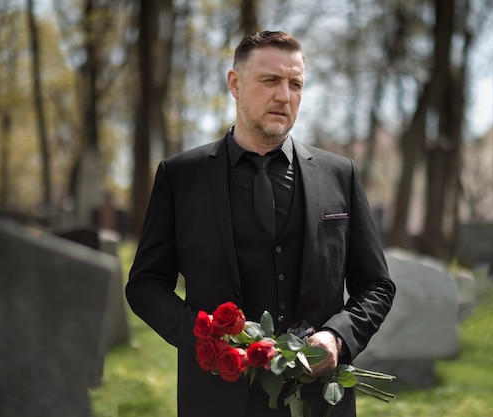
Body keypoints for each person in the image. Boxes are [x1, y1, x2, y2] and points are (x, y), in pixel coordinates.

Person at [126, 30, 396, 417]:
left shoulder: (340, 175)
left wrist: (338, 338)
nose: (284, 96)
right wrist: (208, 340)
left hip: (320, 403)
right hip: (216, 400)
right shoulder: (180, 176)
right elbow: (145, 286)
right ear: (234, 84)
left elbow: (376, 284)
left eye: (295, 83)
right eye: (270, 80)